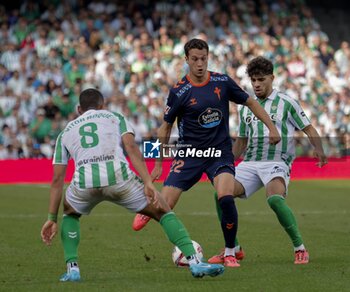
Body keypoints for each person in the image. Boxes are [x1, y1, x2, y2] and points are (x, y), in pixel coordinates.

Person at [40, 88, 225, 282]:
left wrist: (52, 218)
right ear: (102, 105)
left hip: (85, 182)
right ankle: (195, 261)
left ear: (79, 109)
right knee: (163, 211)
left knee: (70, 213)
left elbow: (57, 180)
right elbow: (131, 147)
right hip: (119, 177)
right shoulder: (115, 117)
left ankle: (72, 270)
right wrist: (148, 182)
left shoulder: (66, 131)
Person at [132, 39, 281, 268]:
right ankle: (149, 210)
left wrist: (271, 127)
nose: (200, 64)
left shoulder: (222, 81)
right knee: (165, 206)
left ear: (208, 57)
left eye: (203, 58)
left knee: (225, 196)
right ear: (186, 60)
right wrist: (158, 163)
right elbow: (165, 128)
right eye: (194, 59)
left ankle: (231, 252)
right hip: (189, 153)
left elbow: (250, 102)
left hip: (219, 152)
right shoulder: (179, 91)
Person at [207, 56, 327, 265]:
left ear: (272, 78)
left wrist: (318, 148)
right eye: (253, 80)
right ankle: (234, 248)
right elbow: (242, 141)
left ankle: (300, 248)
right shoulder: (245, 106)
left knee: (274, 199)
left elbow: (308, 127)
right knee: (221, 194)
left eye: (261, 80)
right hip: (250, 163)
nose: (256, 85)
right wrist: (226, 164)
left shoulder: (287, 102)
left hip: (276, 162)